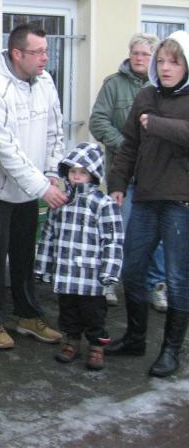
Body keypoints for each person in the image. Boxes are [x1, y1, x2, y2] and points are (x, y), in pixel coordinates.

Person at [0, 23, 67, 350]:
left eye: (46, 51)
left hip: (30, 188)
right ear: (16, 53)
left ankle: (28, 316)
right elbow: (5, 150)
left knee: (25, 255)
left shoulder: (45, 82)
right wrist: (43, 187)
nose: (45, 57)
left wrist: (51, 171)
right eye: (37, 52)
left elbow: (55, 129)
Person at [106, 30, 189, 377]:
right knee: (132, 269)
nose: (166, 67)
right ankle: (135, 338)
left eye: (175, 61)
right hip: (144, 198)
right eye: (162, 61)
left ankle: (171, 350)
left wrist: (156, 124)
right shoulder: (146, 96)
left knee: (177, 279)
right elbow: (129, 145)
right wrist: (117, 184)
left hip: (180, 204)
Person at [88, 32, 167, 311]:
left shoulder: (164, 88)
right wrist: (126, 145)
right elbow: (98, 121)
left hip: (156, 177)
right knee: (116, 229)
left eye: (145, 54)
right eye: (135, 53)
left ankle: (156, 285)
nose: (139, 58)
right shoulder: (114, 84)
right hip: (123, 174)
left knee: (158, 235)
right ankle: (110, 280)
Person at [34, 142, 124, 371]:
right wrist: (43, 266)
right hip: (66, 272)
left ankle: (98, 346)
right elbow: (48, 235)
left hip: (92, 276)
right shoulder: (60, 203)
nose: (76, 176)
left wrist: (110, 271)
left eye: (82, 172)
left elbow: (113, 240)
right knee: (68, 312)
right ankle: (71, 341)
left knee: (95, 316)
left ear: (93, 175)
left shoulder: (103, 204)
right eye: (73, 171)